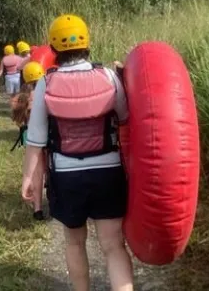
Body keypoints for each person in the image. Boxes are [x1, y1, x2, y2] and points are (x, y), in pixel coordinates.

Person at [21, 15, 133, 291]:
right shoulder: (107, 75)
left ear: (54, 48)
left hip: (67, 177)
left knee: (74, 242)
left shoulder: (47, 83)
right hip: (108, 171)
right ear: (87, 42)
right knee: (113, 245)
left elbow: (35, 140)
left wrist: (29, 179)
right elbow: (125, 115)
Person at [10, 60, 46, 221]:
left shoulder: (22, 98)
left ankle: (37, 208)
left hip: (30, 137)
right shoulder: (46, 92)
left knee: (36, 171)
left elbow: (17, 120)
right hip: (48, 135)